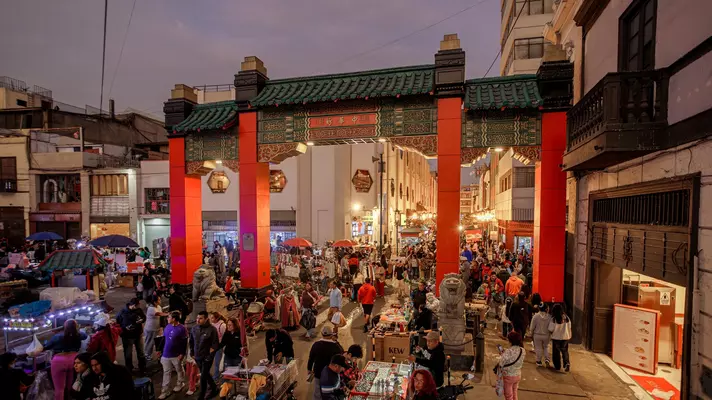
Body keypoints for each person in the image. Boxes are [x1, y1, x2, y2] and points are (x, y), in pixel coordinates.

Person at [45, 319, 88, 400]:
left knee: (59, 389)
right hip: (74, 360)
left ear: (64, 326)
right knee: (70, 386)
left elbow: (46, 346)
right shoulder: (79, 335)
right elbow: (85, 336)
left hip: (59, 361)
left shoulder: (57, 336)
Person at [308, 326, 344, 400]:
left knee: (317, 393)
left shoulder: (316, 344)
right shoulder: (335, 346)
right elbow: (341, 353)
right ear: (331, 335)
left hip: (318, 372)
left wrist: (309, 369)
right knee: (329, 394)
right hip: (330, 374)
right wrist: (336, 341)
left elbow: (311, 358)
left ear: (322, 334)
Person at [190, 311, 219, 400]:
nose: (198, 320)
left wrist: (209, 357)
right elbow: (191, 341)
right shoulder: (194, 328)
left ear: (206, 319)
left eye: (200, 318)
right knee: (205, 374)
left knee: (203, 376)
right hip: (197, 356)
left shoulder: (212, 330)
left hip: (207, 358)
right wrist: (192, 353)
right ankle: (214, 388)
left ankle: (201, 396)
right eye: (197, 318)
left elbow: (215, 345)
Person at [159, 311, 188, 399]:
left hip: (176, 355)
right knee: (166, 372)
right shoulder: (167, 326)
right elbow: (163, 339)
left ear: (174, 319)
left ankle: (180, 383)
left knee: (179, 369)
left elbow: (184, 342)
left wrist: (182, 353)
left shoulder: (182, 329)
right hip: (165, 354)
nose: (167, 318)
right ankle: (165, 391)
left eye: (169, 317)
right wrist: (159, 350)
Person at [116, 298, 147, 375]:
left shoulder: (139, 310)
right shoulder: (122, 312)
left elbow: (144, 317)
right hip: (127, 337)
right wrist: (124, 328)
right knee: (128, 354)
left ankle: (142, 368)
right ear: (133, 305)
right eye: (138, 305)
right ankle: (129, 369)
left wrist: (141, 320)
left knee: (141, 352)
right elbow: (118, 324)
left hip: (138, 334)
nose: (139, 306)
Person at [497, 331, 525, 400]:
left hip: (509, 376)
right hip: (518, 375)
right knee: (514, 393)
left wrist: (502, 354)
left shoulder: (509, 351)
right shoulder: (523, 350)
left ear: (511, 341)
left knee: (509, 396)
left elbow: (501, 363)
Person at [549, 304, 572, 372]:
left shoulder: (553, 319)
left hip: (556, 338)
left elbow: (550, 329)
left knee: (556, 352)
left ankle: (557, 366)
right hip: (565, 337)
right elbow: (569, 327)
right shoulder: (566, 318)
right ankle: (566, 363)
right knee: (565, 351)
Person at [145, 294, 168, 361]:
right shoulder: (151, 308)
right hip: (150, 328)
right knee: (149, 342)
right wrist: (168, 314)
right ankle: (147, 355)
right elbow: (159, 314)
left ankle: (159, 355)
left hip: (156, 328)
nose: (160, 300)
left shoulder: (158, 306)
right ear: (154, 302)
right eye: (159, 299)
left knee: (158, 342)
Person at [529, 302, 552, 367]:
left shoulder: (535, 316)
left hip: (537, 335)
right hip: (546, 335)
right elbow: (551, 327)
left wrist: (531, 333)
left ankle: (539, 361)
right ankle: (547, 359)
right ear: (546, 309)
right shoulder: (549, 317)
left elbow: (532, 326)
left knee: (538, 348)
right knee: (546, 347)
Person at [210, 312, 228, 382]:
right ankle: (217, 375)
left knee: (220, 362)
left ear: (217, 318)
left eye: (212, 318)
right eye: (210, 317)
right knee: (216, 362)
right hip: (215, 346)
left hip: (220, 346)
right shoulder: (212, 325)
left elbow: (225, 337)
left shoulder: (222, 325)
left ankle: (218, 376)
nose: (211, 319)